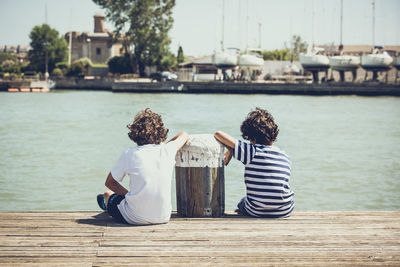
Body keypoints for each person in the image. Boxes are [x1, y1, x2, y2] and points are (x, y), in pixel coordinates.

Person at [97, 108, 189, 225]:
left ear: (135, 133)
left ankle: (106, 203)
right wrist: (164, 146)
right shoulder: (167, 150)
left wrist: (128, 195)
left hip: (134, 218)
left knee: (107, 193)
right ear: (161, 131)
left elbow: (110, 183)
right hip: (163, 217)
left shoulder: (129, 154)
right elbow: (184, 135)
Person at [214, 107, 294, 218]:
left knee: (242, 203)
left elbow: (218, 134)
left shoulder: (251, 151)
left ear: (252, 138)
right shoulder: (285, 155)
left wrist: (231, 150)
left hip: (257, 211)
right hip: (284, 210)